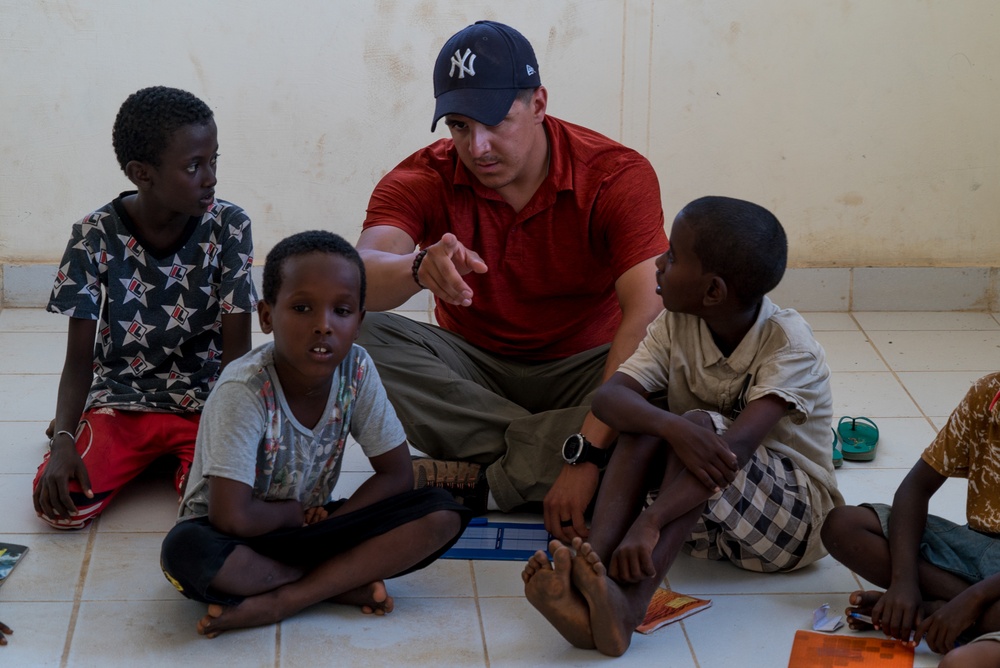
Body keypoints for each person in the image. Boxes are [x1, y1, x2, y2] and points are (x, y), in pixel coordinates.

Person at [356, 20, 669, 539]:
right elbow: (357, 278)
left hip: (590, 370)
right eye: (458, 125)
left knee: (683, 373)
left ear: (539, 104)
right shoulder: (424, 175)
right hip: (474, 370)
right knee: (354, 336)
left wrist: (586, 451)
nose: (477, 147)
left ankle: (487, 478)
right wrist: (416, 268)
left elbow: (647, 314)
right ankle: (574, 460)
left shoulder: (615, 175)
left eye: (496, 121)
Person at [522, 196, 843, 656]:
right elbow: (609, 398)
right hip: (707, 522)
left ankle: (628, 609)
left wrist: (650, 520)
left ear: (713, 291)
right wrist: (671, 429)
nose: (657, 262)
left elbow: (736, 450)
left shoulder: (789, 345)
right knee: (647, 421)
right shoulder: (676, 322)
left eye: (672, 257)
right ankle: (594, 578)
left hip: (791, 527)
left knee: (700, 424)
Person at [160, 230, 472, 637]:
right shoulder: (245, 388)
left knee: (441, 513)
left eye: (341, 311)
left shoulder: (356, 370)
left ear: (359, 322)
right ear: (267, 316)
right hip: (233, 534)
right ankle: (335, 583)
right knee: (184, 553)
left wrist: (337, 519)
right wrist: (290, 515)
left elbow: (396, 473)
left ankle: (286, 597)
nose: (323, 326)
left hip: (314, 527)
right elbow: (230, 515)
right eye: (303, 308)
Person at [32, 86, 256, 529]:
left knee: (224, 510)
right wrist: (62, 439)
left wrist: (236, 435)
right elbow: (78, 362)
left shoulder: (230, 226)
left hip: (205, 402)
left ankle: (173, 456)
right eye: (194, 166)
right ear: (142, 173)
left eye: (214, 160)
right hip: (124, 399)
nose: (210, 177)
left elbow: (238, 358)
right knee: (58, 503)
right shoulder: (93, 234)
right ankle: (96, 431)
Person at [821, 373, 1000, 667]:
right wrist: (904, 583)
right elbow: (915, 488)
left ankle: (935, 612)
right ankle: (935, 609)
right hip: (978, 545)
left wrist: (973, 599)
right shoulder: (988, 392)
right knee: (844, 525)